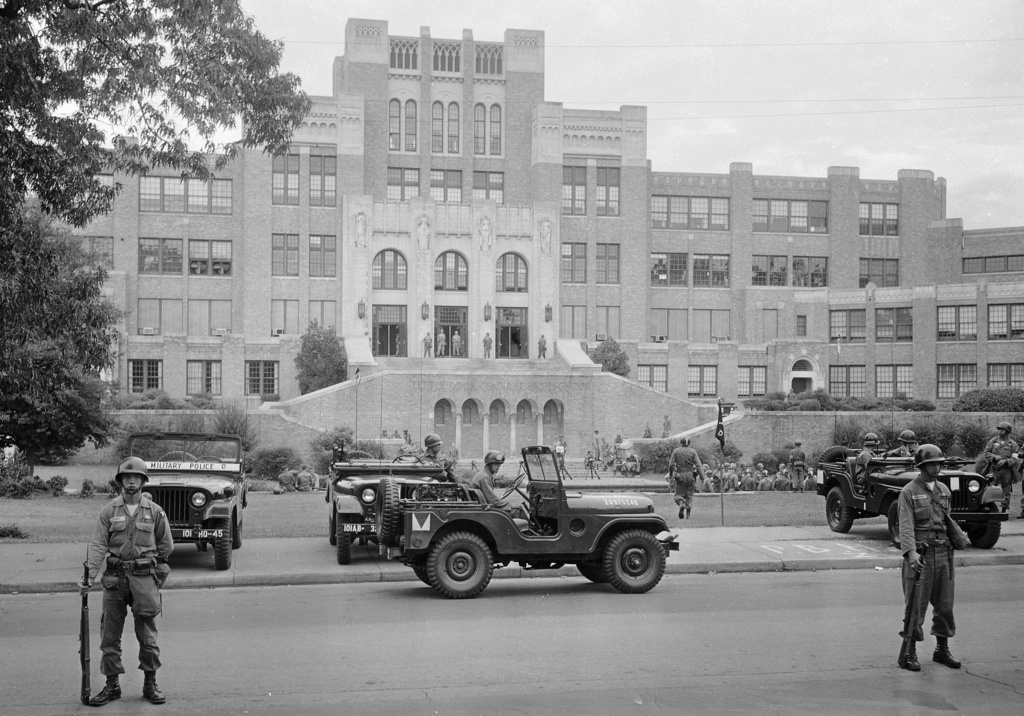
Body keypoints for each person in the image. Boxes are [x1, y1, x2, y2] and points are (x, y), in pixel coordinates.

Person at [79, 458, 173, 706]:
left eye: (136, 477)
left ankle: (150, 683)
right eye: (126, 477)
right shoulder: (108, 511)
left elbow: (166, 547)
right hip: (114, 580)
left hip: (144, 580)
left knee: (148, 636)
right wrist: (89, 577)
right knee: (110, 636)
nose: (131, 481)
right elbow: (99, 545)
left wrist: (157, 577)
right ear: (120, 481)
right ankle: (112, 686)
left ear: (143, 481)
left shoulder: (155, 511)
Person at [897, 444, 961, 672]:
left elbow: (947, 520)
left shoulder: (944, 490)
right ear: (922, 466)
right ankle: (909, 652)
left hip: (943, 552)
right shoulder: (909, 492)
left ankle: (941, 649)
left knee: (945, 605)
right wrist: (911, 552)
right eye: (933, 464)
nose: (937, 467)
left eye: (939, 463)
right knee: (916, 604)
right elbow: (905, 526)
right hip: (921, 554)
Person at [469, 451, 529, 519]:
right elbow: (493, 501)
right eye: (496, 464)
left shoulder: (485, 475)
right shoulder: (484, 477)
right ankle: (529, 528)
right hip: (486, 510)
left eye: (499, 464)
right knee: (518, 511)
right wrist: (510, 505)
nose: (498, 466)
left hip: (484, 507)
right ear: (489, 464)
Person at [980, 421, 1021, 516]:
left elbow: (1015, 458)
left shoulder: (1013, 444)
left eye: (1002, 429)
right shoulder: (993, 441)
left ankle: (1004, 510)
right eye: (999, 429)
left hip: (1007, 471)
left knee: (1006, 490)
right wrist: (994, 457)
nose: (1000, 431)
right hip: (993, 469)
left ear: (1007, 431)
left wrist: (1005, 461)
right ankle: (988, 508)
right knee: (988, 488)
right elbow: (986, 453)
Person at [668, 437, 705, 519]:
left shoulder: (676, 451)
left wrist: (671, 475)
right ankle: (688, 516)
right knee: (689, 495)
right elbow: (698, 465)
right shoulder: (693, 451)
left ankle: (681, 503)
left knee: (678, 494)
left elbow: (671, 465)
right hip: (690, 474)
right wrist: (702, 477)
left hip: (680, 475)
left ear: (681, 442)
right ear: (689, 443)